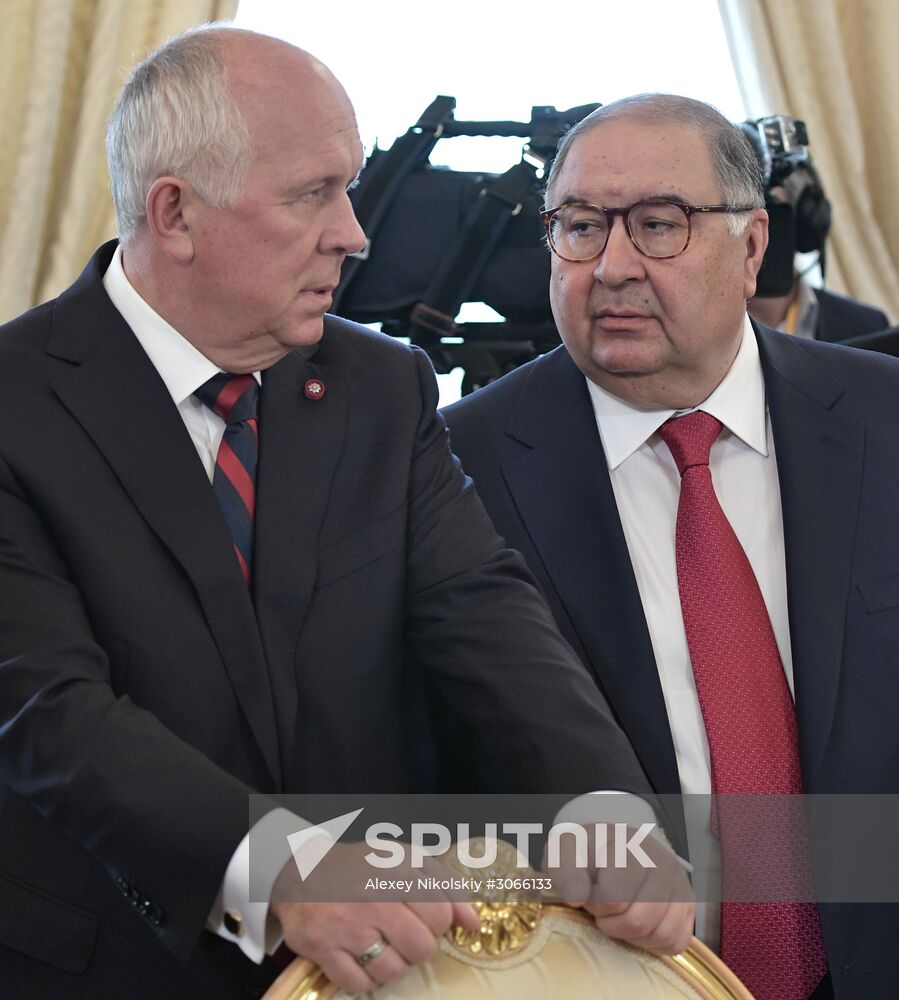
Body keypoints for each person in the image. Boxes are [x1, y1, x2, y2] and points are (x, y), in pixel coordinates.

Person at [0, 26, 695, 999]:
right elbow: (48, 714)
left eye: (351, 186)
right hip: (105, 966)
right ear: (176, 213)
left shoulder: (381, 386)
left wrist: (601, 805)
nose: (355, 233)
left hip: (381, 967)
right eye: (312, 194)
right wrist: (277, 869)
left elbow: (481, 612)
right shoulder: (15, 405)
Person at [444, 94, 899, 1000]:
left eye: (659, 226)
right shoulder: (456, 465)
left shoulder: (882, 418)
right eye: (577, 227)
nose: (611, 267)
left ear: (753, 248)